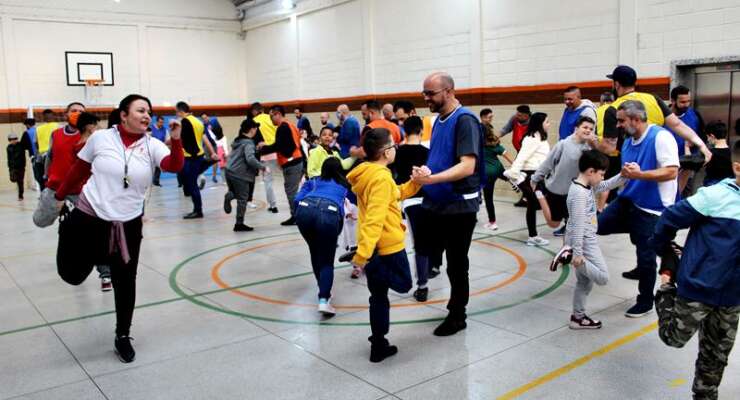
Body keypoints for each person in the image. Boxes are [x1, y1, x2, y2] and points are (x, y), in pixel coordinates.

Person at [52, 94, 184, 363]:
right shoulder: (101, 139)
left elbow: (173, 166)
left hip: (128, 223)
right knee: (72, 275)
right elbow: (79, 169)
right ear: (124, 114)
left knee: (126, 280)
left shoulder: (153, 145)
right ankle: (81, 244)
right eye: (140, 110)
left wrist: (178, 140)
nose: (146, 115)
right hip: (88, 217)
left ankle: (122, 335)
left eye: (149, 111)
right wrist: (59, 197)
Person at [650, 140, 740, 400]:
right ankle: (666, 287)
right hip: (699, 288)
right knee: (673, 338)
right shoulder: (713, 196)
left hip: (732, 296)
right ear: (737, 167)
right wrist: (665, 252)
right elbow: (669, 218)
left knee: (716, 356)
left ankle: (705, 395)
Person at [412, 72, 484, 337]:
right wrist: (424, 172)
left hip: (459, 205)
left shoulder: (464, 120)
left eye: (430, 93)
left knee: (456, 263)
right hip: (438, 200)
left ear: (449, 91)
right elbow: (441, 157)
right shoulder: (438, 120)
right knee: (426, 246)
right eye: (424, 93)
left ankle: (457, 315)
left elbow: (467, 166)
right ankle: (432, 267)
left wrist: (431, 179)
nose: (425, 98)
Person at [597, 100, 680, 318]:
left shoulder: (661, 137)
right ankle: (651, 239)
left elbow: (671, 172)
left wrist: (641, 174)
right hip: (628, 200)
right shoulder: (626, 142)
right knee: (600, 225)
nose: (619, 126)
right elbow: (626, 175)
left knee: (646, 257)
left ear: (636, 119)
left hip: (652, 208)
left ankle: (645, 302)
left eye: (621, 121)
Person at [347, 127, 423, 362]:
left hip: (375, 249)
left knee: (378, 298)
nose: (396, 150)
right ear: (385, 152)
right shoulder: (380, 177)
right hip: (387, 248)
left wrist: (415, 182)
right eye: (393, 146)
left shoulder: (370, 173)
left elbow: (396, 194)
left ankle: (378, 344)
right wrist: (363, 256)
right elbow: (374, 218)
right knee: (404, 284)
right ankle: (377, 269)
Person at [549, 150, 627, 329]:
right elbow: (577, 224)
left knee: (584, 282)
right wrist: (577, 254)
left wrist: (622, 176)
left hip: (582, 238)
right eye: (601, 173)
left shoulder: (586, 186)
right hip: (583, 240)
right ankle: (568, 256)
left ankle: (578, 318)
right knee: (602, 277)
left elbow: (604, 185)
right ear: (591, 171)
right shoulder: (579, 194)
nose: (602, 177)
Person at [294, 157, 351, 317]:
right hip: (329, 212)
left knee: (315, 252)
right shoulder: (344, 184)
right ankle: (324, 299)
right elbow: (356, 203)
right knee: (326, 260)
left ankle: (323, 288)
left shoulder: (312, 181)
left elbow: (297, 199)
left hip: (305, 210)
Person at [531, 117, 602, 236]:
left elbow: (598, 165)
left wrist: (594, 145)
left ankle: (569, 252)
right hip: (557, 190)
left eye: (591, 129)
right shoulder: (563, 144)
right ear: (576, 129)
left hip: (575, 193)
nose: (588, 130)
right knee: (553, 223)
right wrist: (535, 178)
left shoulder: (590, 148)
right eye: (585, 127)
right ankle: (540, 195)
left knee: (573, 227)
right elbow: (548, 163)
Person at [389, 116, 431, 301]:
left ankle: (422, 285)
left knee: (420, 243)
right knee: (427, 240)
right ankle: (429, 270)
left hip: (410, 200)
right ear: (421, 130)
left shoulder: (398, 152)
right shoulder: (428, 151)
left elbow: (395, 178)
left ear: (404, 132)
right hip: (430, 199)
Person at [503, 112, 551, 247]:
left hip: (538, 175)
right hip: (531, 175)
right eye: (547, 122)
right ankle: (533, 236)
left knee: (532, 205)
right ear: (539, 124)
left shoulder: (541, 138)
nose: (549, 124)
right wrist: (513, 173)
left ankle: (533, 236)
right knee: (535, 203)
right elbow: (521, 158)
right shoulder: (531, 139)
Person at [258, 105, 305, 226]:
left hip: (292, 163)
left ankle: (296, 216)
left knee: (291, 192)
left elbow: (279, 146)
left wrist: (263, 149)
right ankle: (297, 215)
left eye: (271, 116)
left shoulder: (282, 127)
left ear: (277, 114)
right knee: (292, 190)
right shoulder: (290, 125)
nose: (270, 119)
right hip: (297, 161)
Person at [176, 101, 218, 219]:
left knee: (191, 184)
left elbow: (179, 139)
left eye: (177, 113)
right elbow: (205, 139)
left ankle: (198, 211)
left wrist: (165, 143)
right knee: (188, 180)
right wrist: (213, 153)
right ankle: (207, 162)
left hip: (190, 156)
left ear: (180, 112)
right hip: (199, 155)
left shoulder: (184, 121)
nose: (177, 115)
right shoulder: (198, 122)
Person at [224, 118, 265, 232]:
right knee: (243, 198)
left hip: (229, 171)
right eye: (255, 127)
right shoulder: (248, 143)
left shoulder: (238, 141)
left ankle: (230, 196)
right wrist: (263, 167)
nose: (256, 129)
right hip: (240, 174)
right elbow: (250, 159)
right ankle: (239, 224)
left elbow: (242, 155)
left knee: (237, 193)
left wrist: (254, 149)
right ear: (252, 129)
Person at [481, 122, 513, 231]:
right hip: (499, 169)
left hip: (487, 174)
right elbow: (506, 154)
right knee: (500, 171)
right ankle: (509, 178)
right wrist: (515, 167)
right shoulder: (494, 144)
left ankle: (493, 223)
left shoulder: (477, 144)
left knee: (488, 199)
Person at [250, 102, 279, 213]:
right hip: (279, 152)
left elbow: (254, 139)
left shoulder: (255, 121)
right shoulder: (272, 118)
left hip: (266, 154)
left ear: (254, 111)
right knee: (288, 181)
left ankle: (273, 206)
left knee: (268, 181)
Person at [34, 108, 60, 189]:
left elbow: (36, 143)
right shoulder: (58, 127)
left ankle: (44, 194)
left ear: (43, 118)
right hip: (54, 156)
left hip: (41, 156)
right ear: (53, 117)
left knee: (42, 179)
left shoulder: (38, 129)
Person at [702, 122, 733, 186]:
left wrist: (687, 147)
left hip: (712, 186)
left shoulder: (709, 153)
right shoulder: (733, 152)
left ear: (712, 136)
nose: (708, 140)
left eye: (707, 137)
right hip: (729, 187)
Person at [6, 133, 25, 200]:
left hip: (20, 167)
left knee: (20, 181)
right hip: (13, 167)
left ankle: (20, 195)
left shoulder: (20, 145)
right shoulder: (8, 147)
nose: (13, 140)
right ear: (9, 140)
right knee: (13, 179)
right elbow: (8, 157)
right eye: (12, 139)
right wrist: (9, 167)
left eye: (15, 139)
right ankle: (20, 193)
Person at [151, 116, 167, 186]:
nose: (161, 124)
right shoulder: (151, 128)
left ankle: (156, 182)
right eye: (160, 122)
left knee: (158, 166)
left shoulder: (164, 130)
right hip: (151, 149)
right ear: (157, 121)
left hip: (159, 150)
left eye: (162, 122)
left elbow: (167, 139)